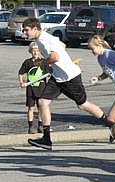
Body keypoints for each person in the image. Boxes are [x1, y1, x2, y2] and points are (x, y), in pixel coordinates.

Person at [22, 17, 108, 150]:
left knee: (83, 105)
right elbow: (62, 45)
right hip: (58, 77)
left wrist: (42, 63)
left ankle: (110, 122)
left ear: (35, 29)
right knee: (42, 102)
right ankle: (46, 139)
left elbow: (55, 57)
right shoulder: (45, 37)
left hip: (70, 77)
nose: (25, 32)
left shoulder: (43, 40)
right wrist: (55, 67)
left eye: (26, 30)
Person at [18, 42, 50, 134]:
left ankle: (40, 126)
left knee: (41, 108)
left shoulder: (44, 62)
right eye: (33, 51)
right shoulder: (27, 62)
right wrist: (21, 82)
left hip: (41, 89)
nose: (35, 52)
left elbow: (49, 72)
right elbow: (20, 73)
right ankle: (31, 126)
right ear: (30, 51)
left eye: (37, 50)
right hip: (31, 89)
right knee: (31, 108)